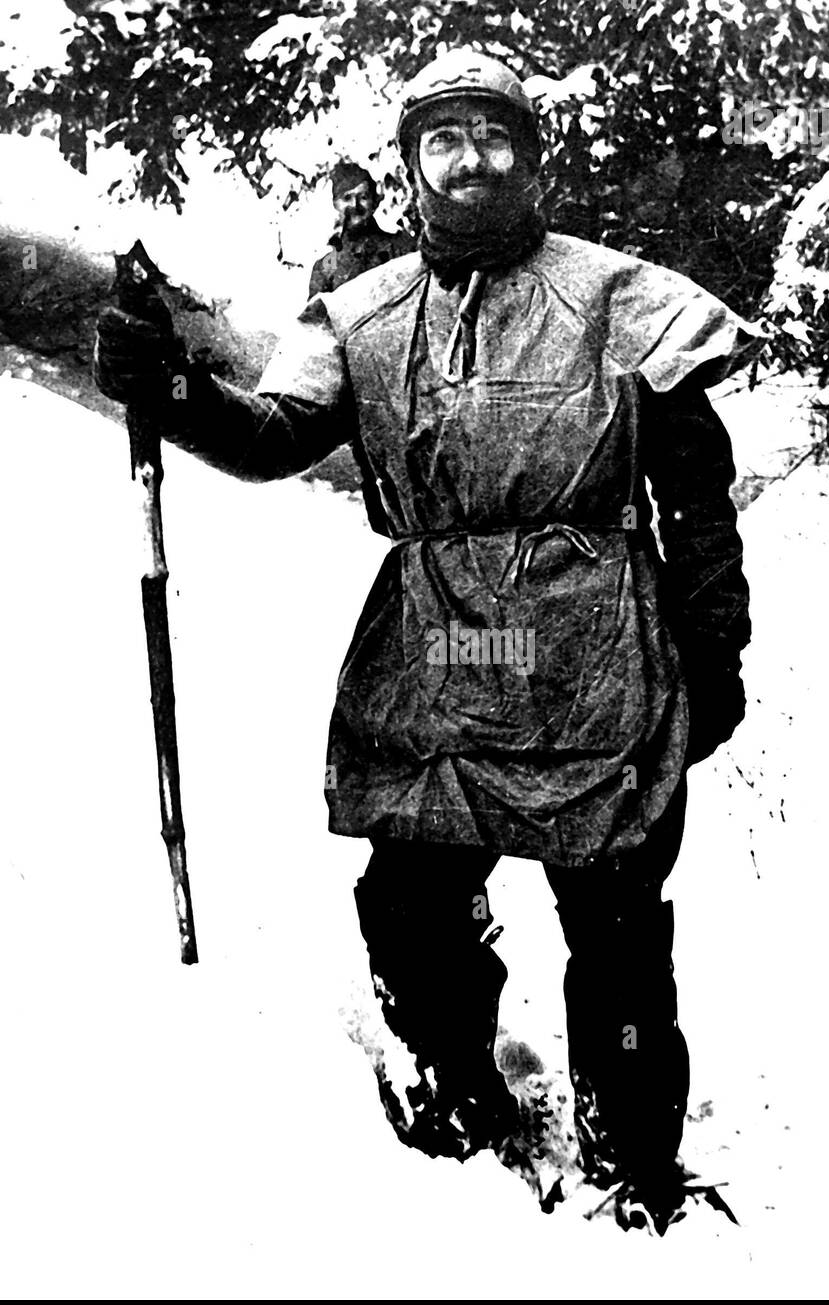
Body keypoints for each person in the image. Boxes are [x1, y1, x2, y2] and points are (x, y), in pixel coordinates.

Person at [93, 48, 753, 1235]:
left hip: (589, 648)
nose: (469, 159)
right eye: (440, 138)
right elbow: (272, 432)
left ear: (531, 155)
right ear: (407, 166)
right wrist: (175, 392)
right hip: (443, 649)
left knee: (611, 915)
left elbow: (695, 490)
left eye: (492, 135)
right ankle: (456, 1091)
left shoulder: (618, 298)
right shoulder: (360, 314)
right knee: (407, 898)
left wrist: (715, 649)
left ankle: (632, 1155)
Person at [307, 160, 414, 297]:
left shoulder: (401, 248)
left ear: (374, 202)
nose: (355, 205)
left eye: (363, 197)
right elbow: (316, 317)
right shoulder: (325, 267)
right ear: (335, 204)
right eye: (346, 198)